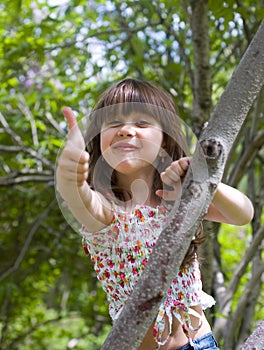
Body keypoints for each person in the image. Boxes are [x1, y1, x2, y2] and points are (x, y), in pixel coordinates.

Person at [56, 78, 254, 350]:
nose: (126, 130)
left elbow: (243, 213)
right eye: (113, 123)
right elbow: (79, 198)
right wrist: (71, 177)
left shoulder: (181, 198)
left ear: (165, 137)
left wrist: (204, 180)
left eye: (142, 123)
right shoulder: (106, 211)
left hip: (202, 344)